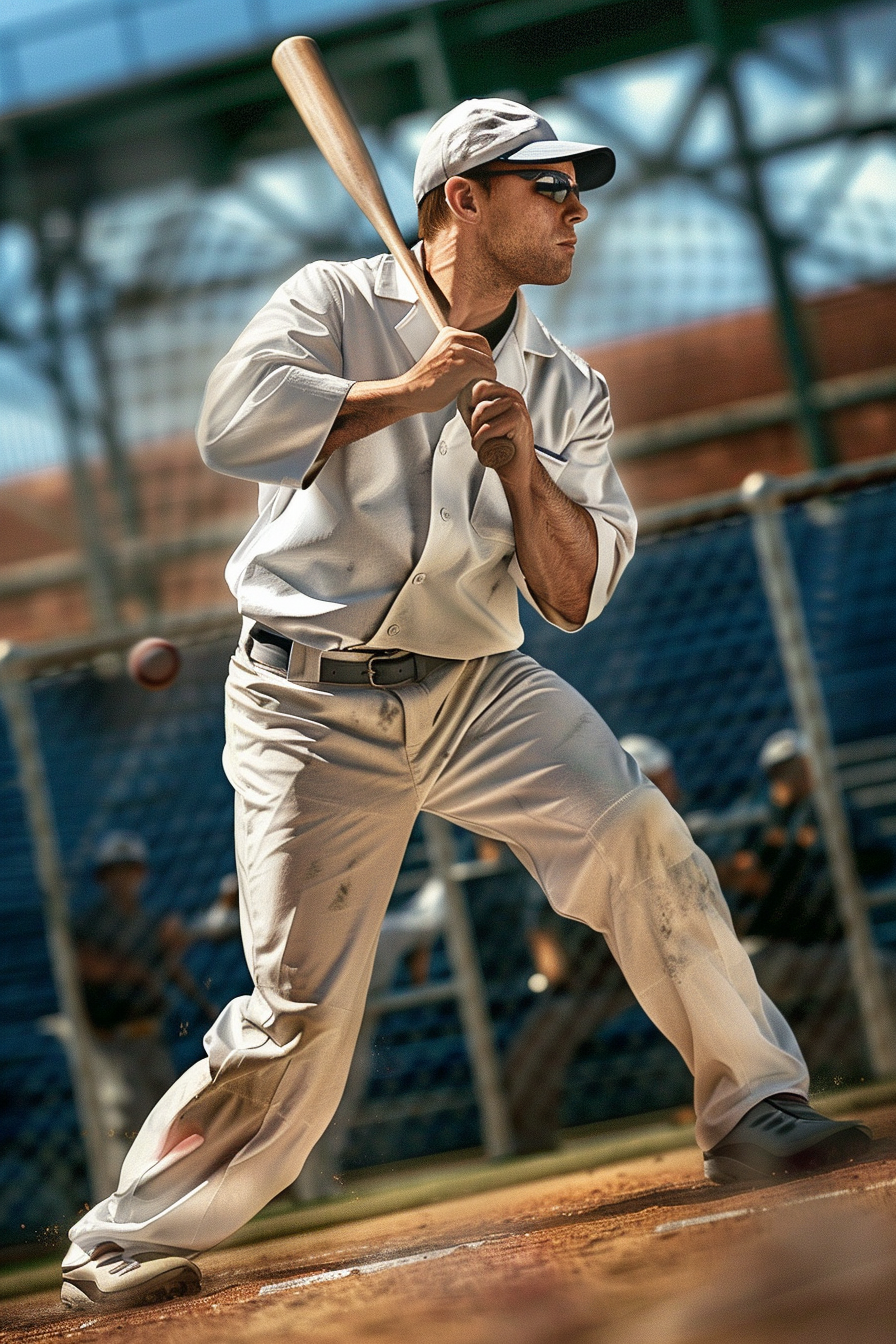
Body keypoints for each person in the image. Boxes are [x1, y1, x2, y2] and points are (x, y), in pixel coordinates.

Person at [61, 97, 870, 1313]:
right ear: (463, 200)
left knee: (638, 831)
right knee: (297, 1019)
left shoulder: (563, 384)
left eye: (575, 188)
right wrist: (403, 389)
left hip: (474, 685)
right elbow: (229, 427)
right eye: (547, 186)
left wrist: (516, 464)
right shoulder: (331, 302)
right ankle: (121, 1240)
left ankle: (751, 1103)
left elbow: (571, 593)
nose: (574, 208)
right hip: (306, 700)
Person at [503, 736, 678, 1154]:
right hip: (593, 985)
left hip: (664, 967)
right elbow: (541, 922)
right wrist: (553, 966)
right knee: (532, 1046)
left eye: (654, 780)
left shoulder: (679, 830)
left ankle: (736, 1103)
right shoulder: (580, 837)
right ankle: (533, 1144)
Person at [716, 729, 896, 1076]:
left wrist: (826, 850)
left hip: (832, 945)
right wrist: (777, 847)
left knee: (885, 974)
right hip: (778, 948)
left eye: (796, 768)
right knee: (742, 985)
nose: (790, 779)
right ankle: (756, 1084)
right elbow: (746, 876)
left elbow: (880, 857)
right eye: (780, 772)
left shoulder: (837, 810)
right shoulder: (764, 820)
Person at [72, 833, 214, 1187]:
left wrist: (203, 1003)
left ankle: (172, 1192)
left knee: (168, 1117)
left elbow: (170, 967)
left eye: (129, 870)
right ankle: (120, 1200)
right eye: (114, 872)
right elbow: (86, 966)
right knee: (122, 1121)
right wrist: (132, 970)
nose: (122, 879)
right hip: (111, 1040)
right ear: (102, 878)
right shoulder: (90, 923)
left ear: (141, 874)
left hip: (149, 1034)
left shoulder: (150, 923)